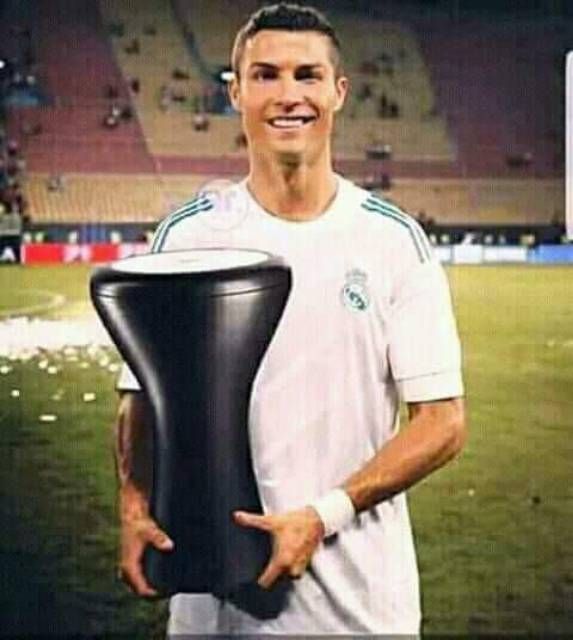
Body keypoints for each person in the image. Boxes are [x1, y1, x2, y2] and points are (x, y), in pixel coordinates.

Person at [114, 3, 466, 634]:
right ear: (235, 92)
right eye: (265, 75)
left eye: (307, 75)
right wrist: (134, 504)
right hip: (214, 609)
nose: (288, 95)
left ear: (339, 92)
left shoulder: (392, 241)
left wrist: (324, 514)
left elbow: (442, 421)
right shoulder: (186, 238)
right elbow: (140, 400)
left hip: (359, 613)